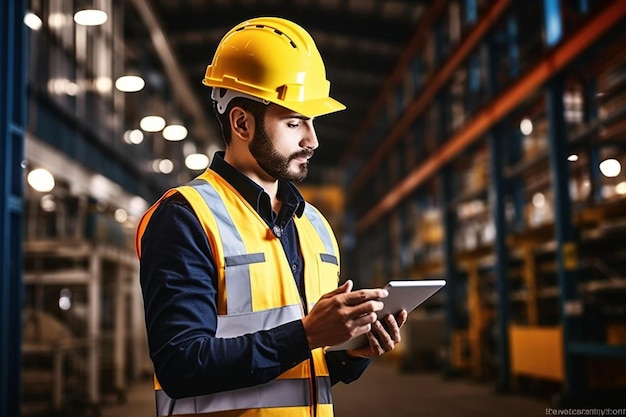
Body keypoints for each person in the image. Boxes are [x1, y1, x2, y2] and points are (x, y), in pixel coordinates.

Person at [136, 16, 408, 417]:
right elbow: (181, 365)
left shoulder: (313, 225)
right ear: (242, 122)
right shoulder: (185, 218)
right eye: (295, 122)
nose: (312, 140)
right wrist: (308, 333)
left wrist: (352, 353)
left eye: (312, 122)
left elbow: (295, 373)